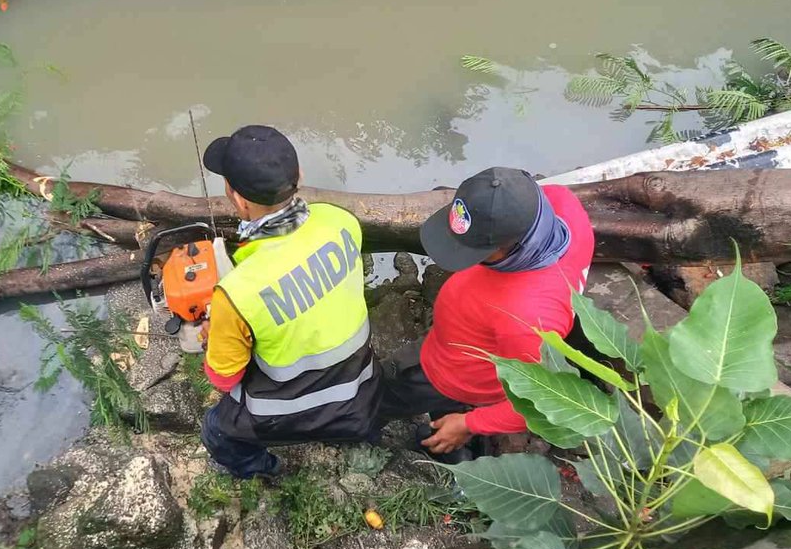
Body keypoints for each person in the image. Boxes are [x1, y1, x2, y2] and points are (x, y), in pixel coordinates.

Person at [199, 125, 381, 480]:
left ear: (238, 200)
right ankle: (357, 434)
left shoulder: (237, 294)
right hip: (362, 391)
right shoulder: (341, 221)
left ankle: (266, 473)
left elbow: (222, 379)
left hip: (290, 415)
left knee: (215, 431)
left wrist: (214, 333)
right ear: (299, 176)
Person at [380, 166, 595, 460]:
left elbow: (540, 398)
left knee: (384, 399)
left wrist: (469, 425)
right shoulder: (560, 203)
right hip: (459, 341)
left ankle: (450, 451)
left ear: (513, 247)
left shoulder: (527, 319)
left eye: (474, 250)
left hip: (454, 377)